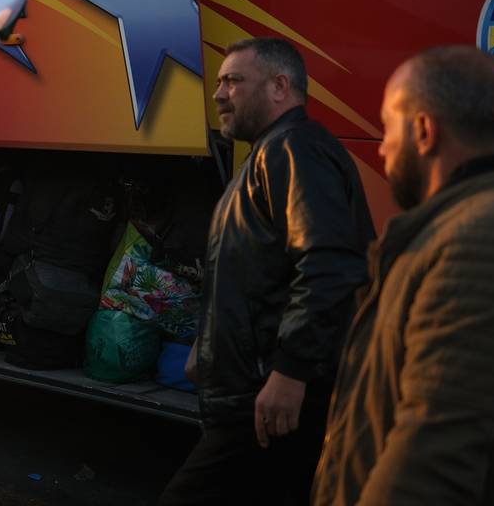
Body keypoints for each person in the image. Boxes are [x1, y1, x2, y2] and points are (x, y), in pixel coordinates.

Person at [160, 37, 375, 506]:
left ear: (280, 87)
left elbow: (329, 266)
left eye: (233, 81)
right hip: (253, 398)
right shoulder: (268, 154)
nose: (218, 94)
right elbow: (254, 276)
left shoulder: (296, 150)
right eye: (219, 82)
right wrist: (207, 342)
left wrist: (290, 372)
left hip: (265, 403)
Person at [312, 46, 494, 506]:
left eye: (388, 127)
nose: (383, 147)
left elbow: (432, 460)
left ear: (424, 131)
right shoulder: (473, 221)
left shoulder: (480, 237)